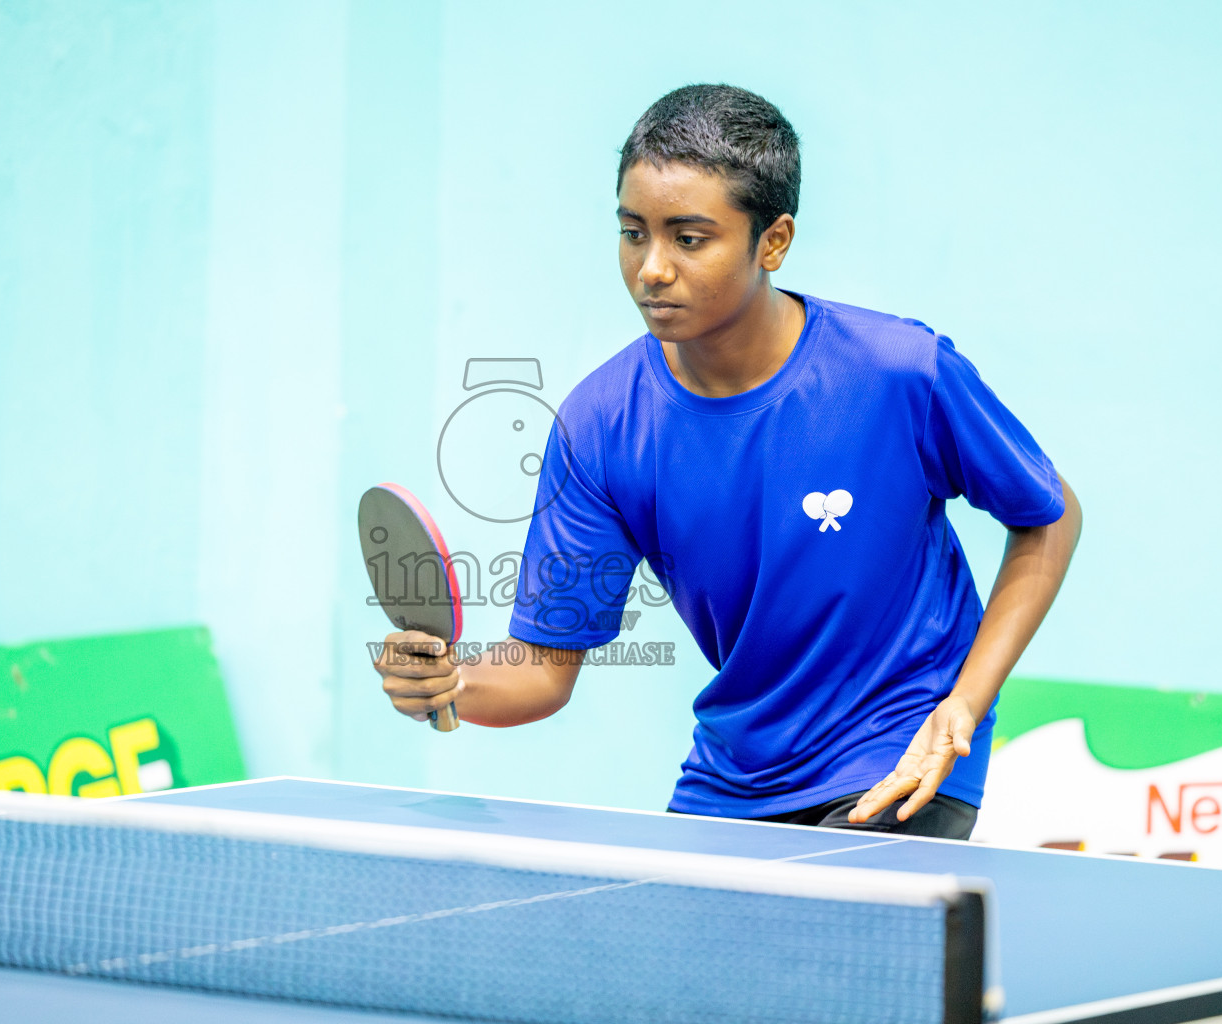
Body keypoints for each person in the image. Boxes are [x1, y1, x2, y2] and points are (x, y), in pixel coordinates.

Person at [372, 84, 1081, 839]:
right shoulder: (602, 425)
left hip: (900, 755)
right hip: (735, 776)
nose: (651, 268)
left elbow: (1050, 515)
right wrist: (453, 681)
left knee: (826, 941)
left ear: (772, 241)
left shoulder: (898, 372)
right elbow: (545, 670)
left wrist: (963, 706)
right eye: (632, 232)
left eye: (688, 238)